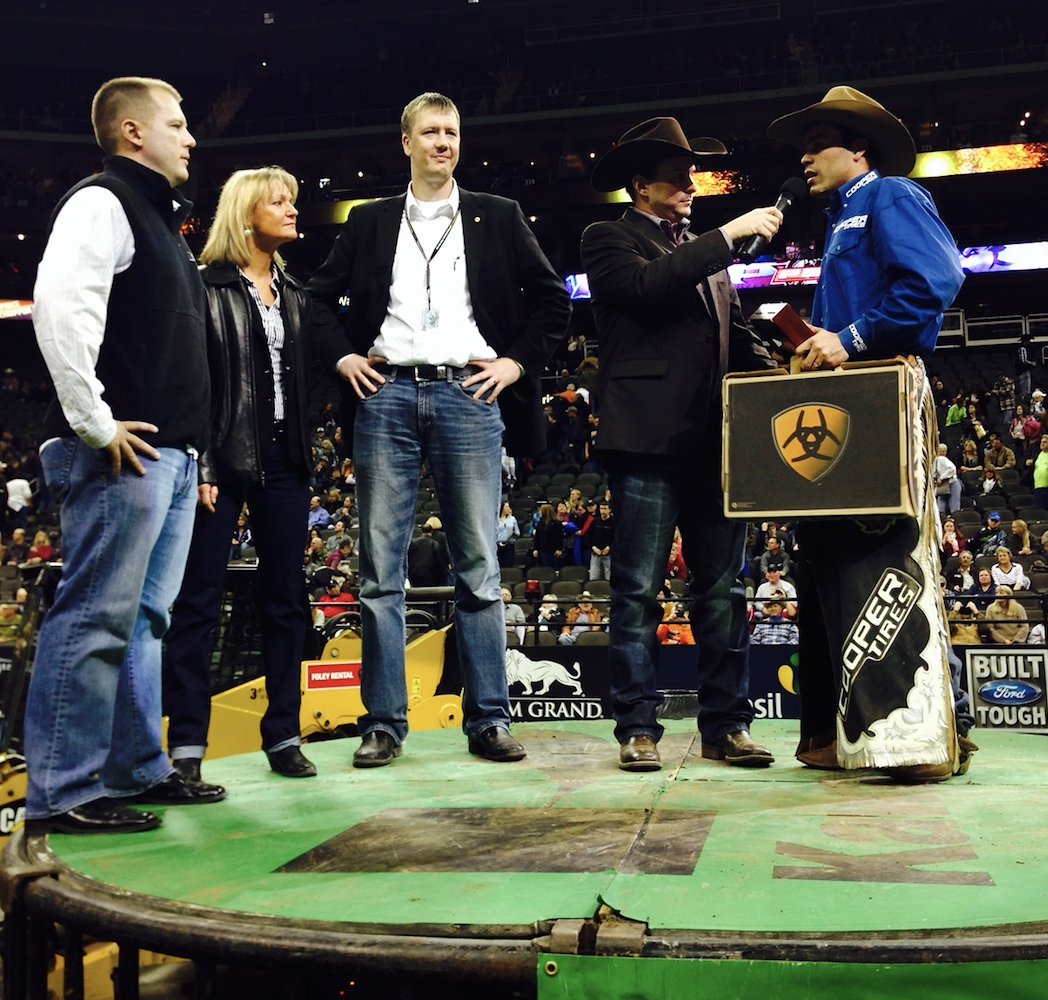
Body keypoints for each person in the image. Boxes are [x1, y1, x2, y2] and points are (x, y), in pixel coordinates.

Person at [307, 92, 570, 767]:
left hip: (469, 395)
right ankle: (384, 724)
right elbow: (315, 300)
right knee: (378, 573)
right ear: (406, 142)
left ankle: (487, 719)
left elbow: (551, 301)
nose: (442, 142)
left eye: (451, 131)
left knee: (480, 570)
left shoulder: (499, 215)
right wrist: (341, 358)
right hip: (386, 394)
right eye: (429, 132)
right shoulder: (368, 222)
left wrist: (514, 364)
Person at [24, 77, 226, 835]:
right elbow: (61, 304)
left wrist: (194, 454)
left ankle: (135, 768)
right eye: (177, 124)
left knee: (143, 620)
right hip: (121, 452)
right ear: (134, 134)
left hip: (167, 453)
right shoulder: (101, 200)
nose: (192, 138)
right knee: (97, 617)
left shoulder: (159, 219)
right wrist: (94, 423)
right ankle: (64, 792)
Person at [767, 85, 969, 779]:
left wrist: (848, 337)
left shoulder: (892, 197)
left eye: (818, 142)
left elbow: (939, 278)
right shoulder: (842, 216)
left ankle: (932, 732)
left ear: (859, 151)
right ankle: (833, 732)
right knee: (826, 558)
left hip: (885, 391)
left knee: (893, 551)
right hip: (849, 398)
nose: (805, 155)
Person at [581, 116, 783, 772]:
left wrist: (793, 364)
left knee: (723, 590)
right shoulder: (608, 239)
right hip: (645, 440)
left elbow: (732, 337)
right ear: (641, 186)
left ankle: (727, 724)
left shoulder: (702, 253)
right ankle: (637, 727)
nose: (689, 185)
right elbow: (648, 287)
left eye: (691, 175)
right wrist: (730, 235)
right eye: (677, 177)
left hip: (711, 442)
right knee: (636, 589)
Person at [163, 166, 325, 781]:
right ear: (244, 212)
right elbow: (193, 381)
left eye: (292, 199)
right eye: (277, 202)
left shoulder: (297, 293)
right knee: (200, 603)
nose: (291, 210)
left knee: (287, 600)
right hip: (221, 463)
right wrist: (202, 459)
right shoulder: (204, 287)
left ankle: (283, 733)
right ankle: (186, 749)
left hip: (287, 463)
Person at [933, 443, 961, 515]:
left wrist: (941, 478)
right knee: (942, 504)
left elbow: (952, 469)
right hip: (944, 484)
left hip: (951, 483)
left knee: (953, 505)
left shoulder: (942, 459)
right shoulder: (937, 459)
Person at [495, 500, 520, 569]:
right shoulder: (495, 519)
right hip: (497, 546)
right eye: (506, 506)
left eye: (508, 507)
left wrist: (512, 540)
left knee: (508, 566)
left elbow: (517, 532)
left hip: (509, 545)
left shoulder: (512, 519)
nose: (508, 508)